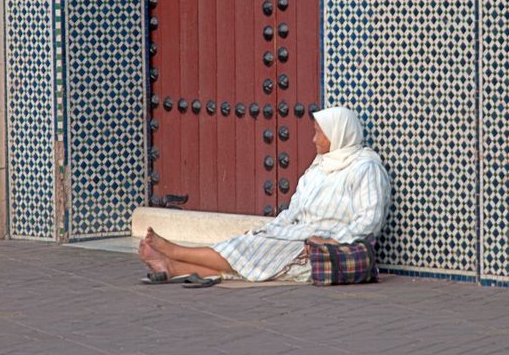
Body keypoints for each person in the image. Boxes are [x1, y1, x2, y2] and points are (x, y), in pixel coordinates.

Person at [138, 106, 391, 282]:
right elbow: (294, 210)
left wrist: (336, 241)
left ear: (339, 134)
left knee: (254, 252)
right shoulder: (319, 167)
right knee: (251, 245)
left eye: (318, 133)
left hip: (326, 249)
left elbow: (370, 219)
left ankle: (173, 252)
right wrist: (272, 228)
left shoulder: (365, 168)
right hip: (298, 236)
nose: (313, 140)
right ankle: (171, 267)